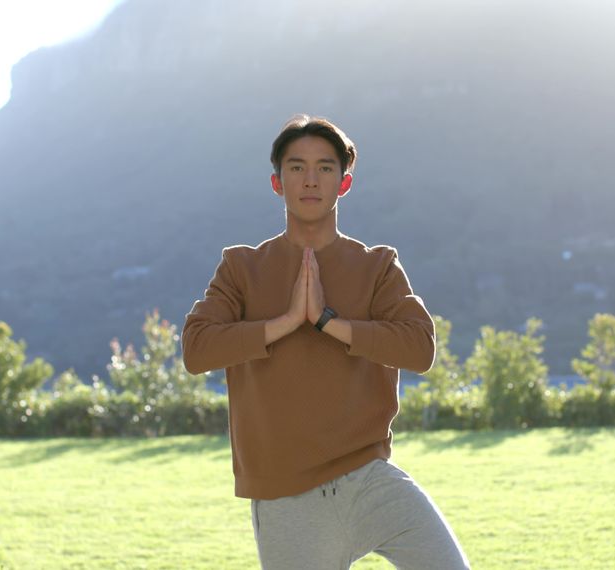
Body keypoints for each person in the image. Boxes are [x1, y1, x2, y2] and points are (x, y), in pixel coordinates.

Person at [182, 114, 470, 569]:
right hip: (285, 496)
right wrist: (288, 320)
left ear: (345, 183)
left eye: (325, 168)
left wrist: (327, 322)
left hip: (370, 480)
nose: (310, 180)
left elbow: (420, 349)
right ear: (277, 183)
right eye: (296, 167)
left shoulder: (378, 267)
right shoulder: (240, 269)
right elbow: (197, 350)